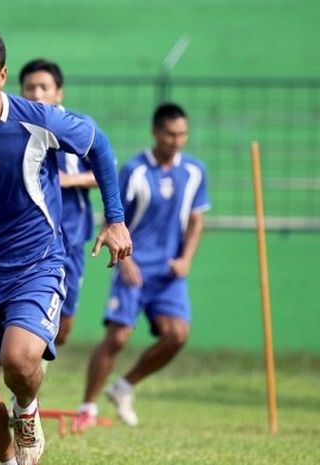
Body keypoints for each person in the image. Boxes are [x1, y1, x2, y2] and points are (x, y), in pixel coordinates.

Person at [0, 23, 131, 465]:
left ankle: (27, 408)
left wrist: (115, 219)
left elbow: (99, 146)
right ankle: (13, 461)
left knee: (19, 359)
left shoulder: (37, 119)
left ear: (2, 75)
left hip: (37, 263)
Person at [78, 102, 210, 427]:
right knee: (119, 336)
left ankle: (124, 387)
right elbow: (113, 217)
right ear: (155, 132)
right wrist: (125, 260)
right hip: (132, 267)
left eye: (182, 134)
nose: (176, 140)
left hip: (168, 272)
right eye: (170, 134)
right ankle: (87, 408)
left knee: (177, 334)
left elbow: (196, 221)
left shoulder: (195, 171)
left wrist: (186, 259)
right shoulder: (135, 169)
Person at [19, 59, 98, 347]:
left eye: (44, 87)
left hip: (71, 235)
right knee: (27, 317)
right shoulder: (15, 128)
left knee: (62, 328)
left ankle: (34, 368)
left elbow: (106, 173)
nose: (37, 94)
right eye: (30, 88)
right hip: (28, 237)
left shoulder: (79, 126)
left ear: (59, 93)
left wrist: (69, 180)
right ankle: (24, 379)